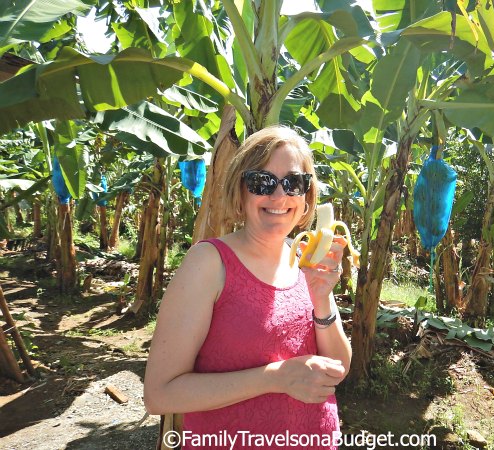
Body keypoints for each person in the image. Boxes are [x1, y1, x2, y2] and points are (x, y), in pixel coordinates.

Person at [144, 125, 352, 450]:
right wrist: (277, 377)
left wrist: (322, 300)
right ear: (240, 190)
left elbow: (338, 369)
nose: (279, 196)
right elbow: (160, 394)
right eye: (262, 182)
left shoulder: (305, 258)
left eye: (294, 183)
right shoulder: (208, 263)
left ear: (307, 196)